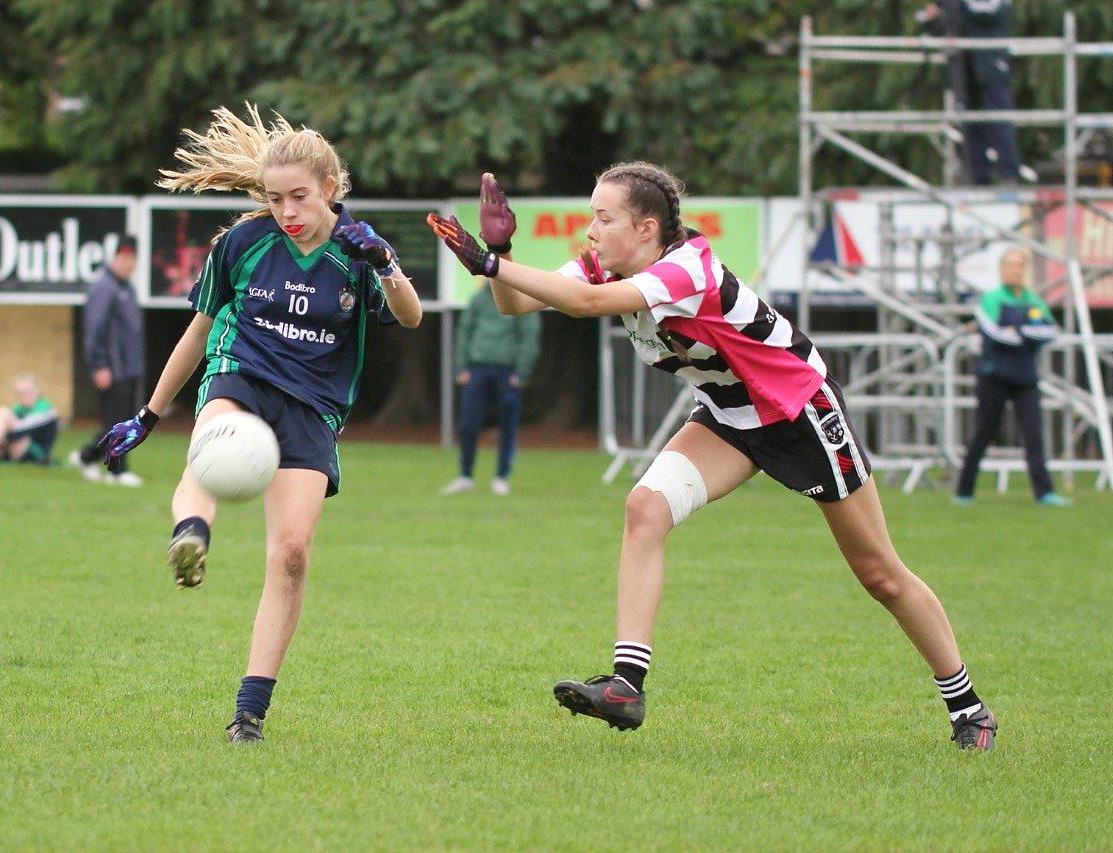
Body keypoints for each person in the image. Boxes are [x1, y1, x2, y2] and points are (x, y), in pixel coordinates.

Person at [428, 165, 997, 750]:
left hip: (798, 412)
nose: (590, 230)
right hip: (730, 415)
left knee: (880, 575)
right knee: (644, 508)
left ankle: (968, 707)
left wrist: (488, 262)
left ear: (647, 228)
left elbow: (583, 304)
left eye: (604, 218)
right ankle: (626, 686)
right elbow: (515, 305)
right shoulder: (609, 264)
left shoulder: (684, 267)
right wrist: (498, 250)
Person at [96, 105, 422, 743]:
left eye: (298, 196)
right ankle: (191, 534)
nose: (286, 211)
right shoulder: (243, 243)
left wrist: (386, 262)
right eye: (274, 198)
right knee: (209, 453)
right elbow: (198, 332)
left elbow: (408, 317)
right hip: (240, 373)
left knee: (293, 555)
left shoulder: (358, 249)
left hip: (313, 405)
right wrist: (148, 413)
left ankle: (249, 712)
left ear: (330, 187)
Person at [442, 177, 540, 497]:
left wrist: (521, 371)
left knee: (506, 427)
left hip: (506, 370)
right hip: (478, 368)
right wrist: (462, 366)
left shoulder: (520, 293)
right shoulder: (477, 298)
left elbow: (528, 333)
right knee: (469, 424)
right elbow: (465, 332)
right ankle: (466, 474)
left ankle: (501, 476)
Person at [955, 248, 1068, 506]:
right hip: (993, 375)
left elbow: (1050, 331)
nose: (1015, 270)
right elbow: (996, 332)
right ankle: (964, 491)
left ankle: (1044, 492)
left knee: (1034, 433)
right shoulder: (991, 299)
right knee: (984, 431)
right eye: (1010, 265)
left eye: (1019, 265)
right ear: (1002, 269)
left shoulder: (1033, 300)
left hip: (1025, 377)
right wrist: (1027, 332)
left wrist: (1019, 331)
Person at [917, 0, 1027, 185]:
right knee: (970, 122)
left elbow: (989, 12)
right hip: (964, 67)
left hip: (992, 63)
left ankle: (1008, 173)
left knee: (999, 117)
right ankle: (978, 175)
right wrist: (930, 17)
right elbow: (941, 26)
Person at [68, 236, 145, 486]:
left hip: (128, 367)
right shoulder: (104, 287)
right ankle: (116, 471)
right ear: (113, 258)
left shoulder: (125, 287)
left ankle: (87, 456)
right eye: (124, 258)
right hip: (114, 368)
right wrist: (99, 365)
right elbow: (94, 330)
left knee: (123, 421)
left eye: (132, 258)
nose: (128, 263)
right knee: (117, 423)